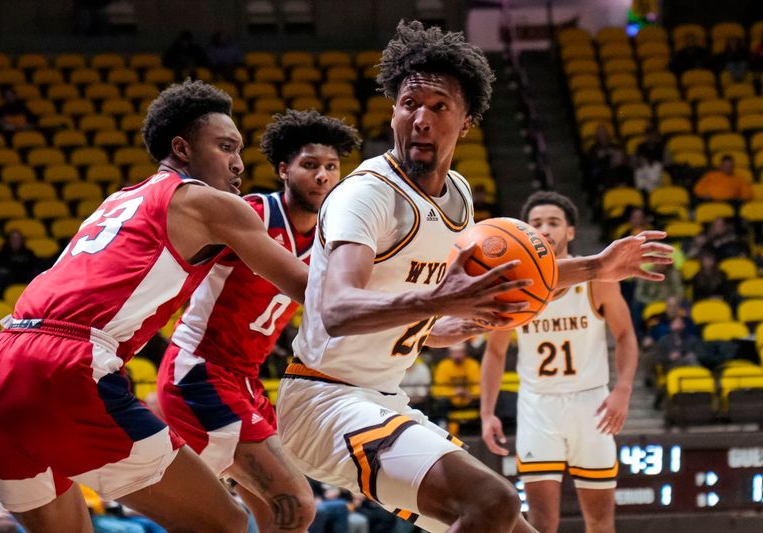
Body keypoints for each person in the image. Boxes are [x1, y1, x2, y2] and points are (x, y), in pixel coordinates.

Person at [275, 20, 672, 533]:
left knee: (512, 526)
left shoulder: (458, 194)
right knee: (494, 501)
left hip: (384, 398)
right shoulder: (366, 194)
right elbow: (337, 310)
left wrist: (595, 267)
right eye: (409, 103)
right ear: (393, 112)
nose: (421, 118)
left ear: (464, 123)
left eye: (438, 107)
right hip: (325, 401)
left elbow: (504, 281)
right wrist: (442, 299)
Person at [0, 79, 311, 533]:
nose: (239, 164)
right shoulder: (207, 202)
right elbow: (313, 290)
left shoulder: (119, 198)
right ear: (182, 148)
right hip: (65, 366)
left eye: (240, 149)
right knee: (224, 524)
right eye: (226, 146)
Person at [157, 109, 361, 533]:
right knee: (296, 506)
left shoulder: (331, 239)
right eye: (309, 165)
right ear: (284, 170)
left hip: (245, 381)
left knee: (274, 515)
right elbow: (169, 262)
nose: (322, 176)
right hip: (199, 371)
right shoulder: (251, 214)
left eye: (331, 167)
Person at [480, 191, 639, 533]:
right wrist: (487, 411)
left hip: (591, 403)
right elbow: (495, 351)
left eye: (554, 222)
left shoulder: (598, 280)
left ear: (570, 232)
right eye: (536, 224)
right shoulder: (513, 288)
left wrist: (623, 389)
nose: (545, 229)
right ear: (527, 233)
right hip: (538, 406)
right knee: (540, 524)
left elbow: (625, 335)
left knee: (600, 522)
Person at [431, 342, 481, 419]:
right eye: (454, 352)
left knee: (483, 401)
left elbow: (479, 388)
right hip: (450, 402)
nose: (457, 355)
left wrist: (470, 394)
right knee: (440, 402)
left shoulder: (473, 365)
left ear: (465, 353)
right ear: (449, 353)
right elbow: (437, 390)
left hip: (470, 400)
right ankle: (442, 424)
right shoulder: (444, 366)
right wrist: (454, 392)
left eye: (460, 352)